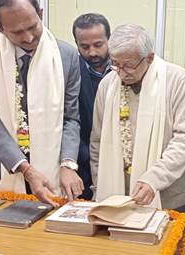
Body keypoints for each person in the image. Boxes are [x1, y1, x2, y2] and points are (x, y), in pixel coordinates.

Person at [90, 24, 185, 247]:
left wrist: (153, 179)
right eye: (115, 64)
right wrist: (97, 188)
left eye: (128, 65)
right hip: (119, 195)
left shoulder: (177, 80)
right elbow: (97, 141)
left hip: (169, 193)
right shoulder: (107, 86)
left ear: (149, 58)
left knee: (170, 247)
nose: (121, 72)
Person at [0, 0, 82, 205]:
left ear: (40, 13)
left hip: (51, 171)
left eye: (32, 27)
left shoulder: (66, 55)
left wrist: (67, 163)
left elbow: (71, 118)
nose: (28, 38)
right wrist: (26, 169)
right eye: (17, 32)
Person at [71, 13, 112, 200]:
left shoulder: (126, 69)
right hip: (83, 164)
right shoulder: (70, 71)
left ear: (109, 40)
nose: (92, 53)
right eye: (84, 47)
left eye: (98, 45)